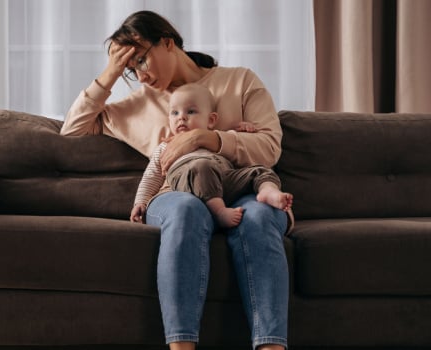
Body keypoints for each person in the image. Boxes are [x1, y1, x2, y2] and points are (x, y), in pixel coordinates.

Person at [61, 10, 291, 350]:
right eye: (129, 68)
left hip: (239, 188)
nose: (140, 75)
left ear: (168, 43)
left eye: (141, 59)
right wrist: (109, 75)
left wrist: (204, 139)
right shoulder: (137, 105)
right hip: (177, 193)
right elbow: (71, 130)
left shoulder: (239, 81)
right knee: (186, 210)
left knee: (258, 216)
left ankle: (271, 345)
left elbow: (269, 148)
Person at [130, 83, 293, 228]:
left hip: (223, 180)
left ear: (211, 120)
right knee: (201, 166)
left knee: (260, 171)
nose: (181, 117)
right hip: (190, 182)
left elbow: (237, 147)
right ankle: (219, 212)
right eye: (174, 113)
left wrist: (244, 130)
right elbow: (151, 176)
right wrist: (141, 201)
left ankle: (268, 192)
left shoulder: (217, 137)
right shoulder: (166, 145)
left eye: (191, 111)